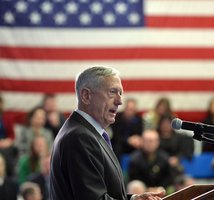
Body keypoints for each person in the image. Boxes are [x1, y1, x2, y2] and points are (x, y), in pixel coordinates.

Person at [50, 66, 165, 200]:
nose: (119, 101)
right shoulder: (80, 137)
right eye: (112, 92)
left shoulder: (84, 132)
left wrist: (133, 199)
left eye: (120, 93)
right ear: (86, 96)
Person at [0, 94, 18, 178]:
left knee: (8, 152)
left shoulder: (6, 117)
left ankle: (9, 178)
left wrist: (7, 141)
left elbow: (12, 135)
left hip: (5, 144)